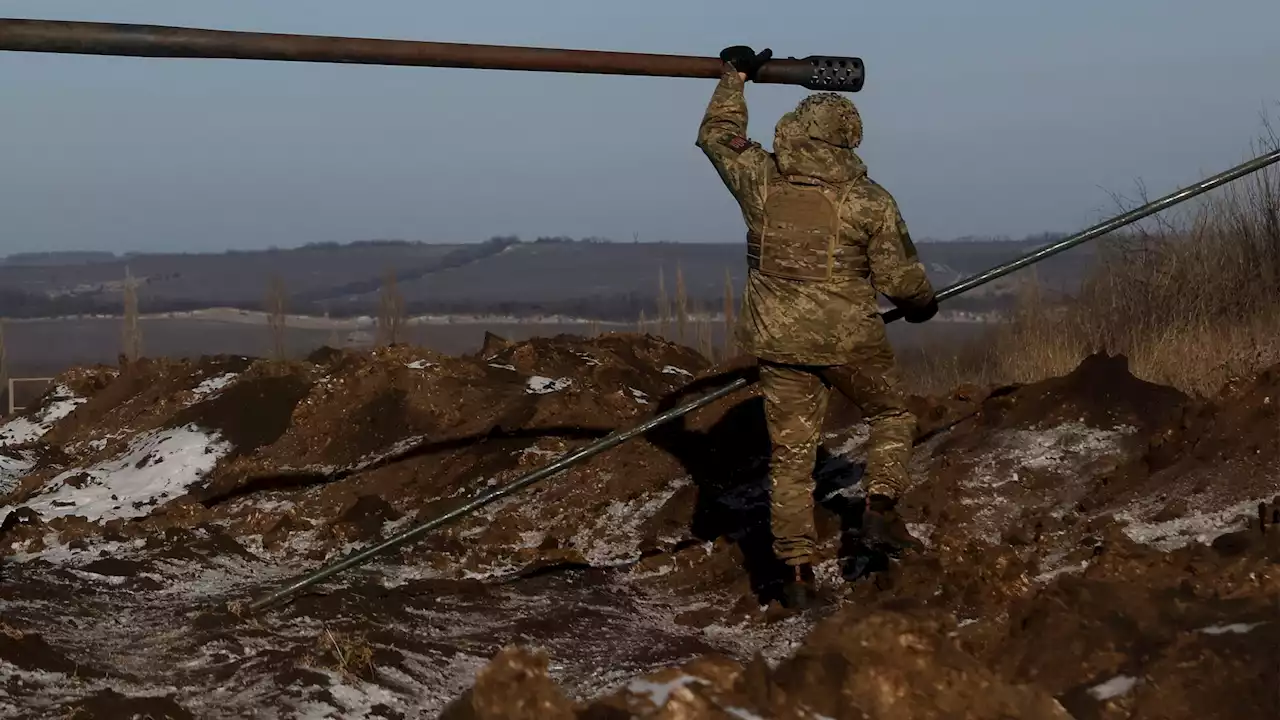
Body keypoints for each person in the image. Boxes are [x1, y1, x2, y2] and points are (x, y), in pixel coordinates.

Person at [695, 46, 939, 610]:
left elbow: (716, 136)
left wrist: (735, 78)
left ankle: (797, 576)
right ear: (848, 139)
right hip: (850, 340)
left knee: (792, 458)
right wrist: (923, 306)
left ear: (793, 132)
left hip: (780, 344)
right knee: (890, 414)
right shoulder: (869, 201)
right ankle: (879, 510)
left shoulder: (763, 182)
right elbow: (901, 282)